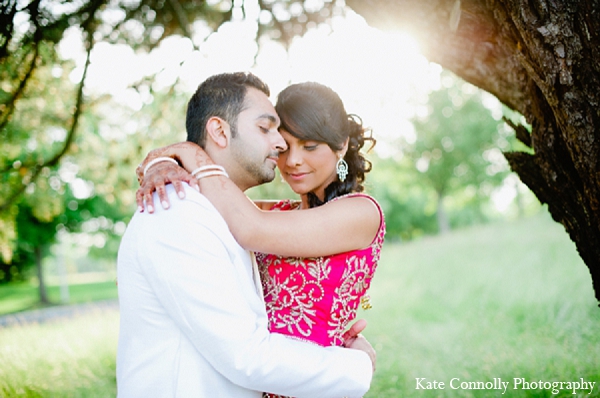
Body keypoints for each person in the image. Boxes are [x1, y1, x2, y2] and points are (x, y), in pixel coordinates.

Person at [117, 72, 376, 398]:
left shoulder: (351, 212)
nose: (286, 151)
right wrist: (355, 364)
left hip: (303, 379)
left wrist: (183, 153)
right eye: (267, 129)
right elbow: (245, 355)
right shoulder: (179, 209)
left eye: (309, 146)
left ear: (340, 147)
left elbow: (250, 226)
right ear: (219, 131)